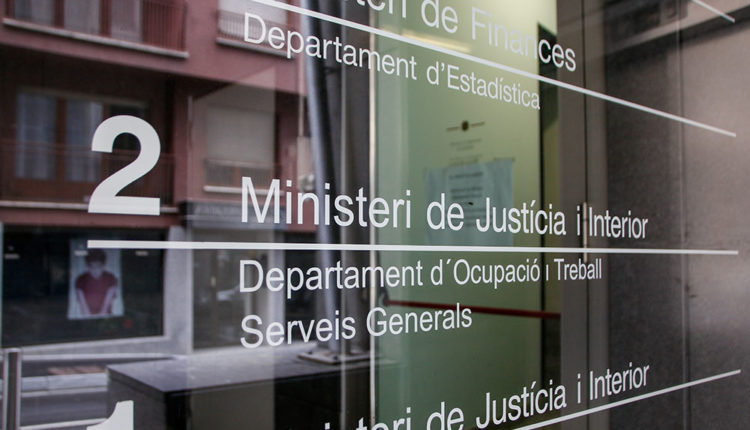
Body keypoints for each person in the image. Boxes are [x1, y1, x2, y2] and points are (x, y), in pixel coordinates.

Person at [74, 249, 119, 317]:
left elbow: (106, 306)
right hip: (86, 318)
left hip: (106, 318)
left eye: (98, 266)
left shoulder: (111, 278)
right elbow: (83, 306)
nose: (95, 270)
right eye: (92, 266)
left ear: (103, 265)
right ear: (88, 266)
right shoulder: (80, 280)